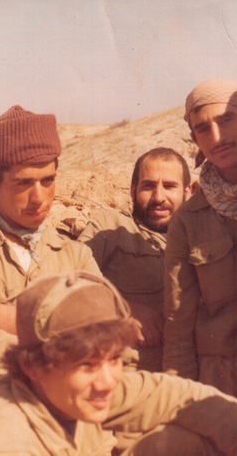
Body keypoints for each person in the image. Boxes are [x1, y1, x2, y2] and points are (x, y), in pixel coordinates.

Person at [0, 271, 237, 455]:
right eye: (87, 365)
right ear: (33, 367)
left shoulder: (62, 392)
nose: (108, 382)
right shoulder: (2, 444)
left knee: (183, 441)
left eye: (114, 359)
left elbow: (185, 399)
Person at [0, 105, 100, 421]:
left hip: (65, 432)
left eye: (47, 181)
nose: (39, 197)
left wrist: (22, 323)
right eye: (24, 183)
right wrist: (68, 343)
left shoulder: (77, 256)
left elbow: (103, 340)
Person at [163, 78, 237, 406]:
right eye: (203, 129)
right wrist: (181, 402)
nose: (216, 138)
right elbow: (179, 323)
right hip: (224, 382)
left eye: (226, 120)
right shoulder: (188, 220)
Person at [78, 147, 191, 372]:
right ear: (132, 190)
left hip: (188, 371)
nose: (159, 197)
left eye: (169, 186)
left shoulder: (200, 236)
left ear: (187, 192)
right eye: (148, 186)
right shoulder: (109, 227)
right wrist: (122, 309)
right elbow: (70, 282)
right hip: (128, 371)